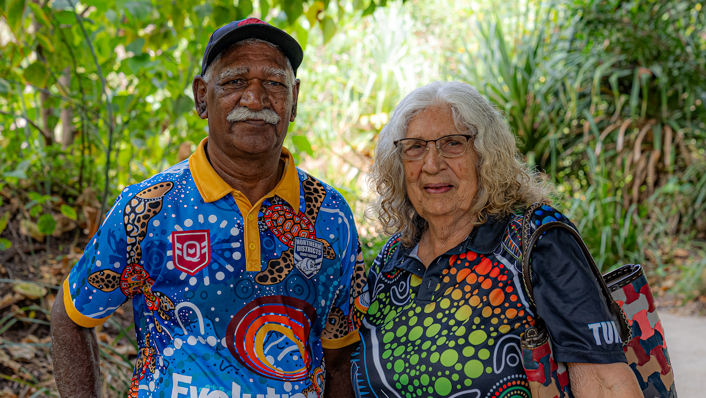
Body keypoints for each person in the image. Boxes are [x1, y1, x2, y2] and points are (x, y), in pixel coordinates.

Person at [51, 18, 367, 398]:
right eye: (234, 81)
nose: (255, 99)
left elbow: (340, 356)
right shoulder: (149, 208)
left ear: (294, 99)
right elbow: (71, 318)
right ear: (202, 96)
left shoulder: (330, 215)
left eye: (274, 83)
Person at [350, 81, 643, 398]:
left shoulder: (536, 241)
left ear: (485, 154)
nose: (432, 164)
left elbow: (604, 384)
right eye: (415, 147)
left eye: (452, 144)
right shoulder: (394, 258)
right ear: (399, 163)